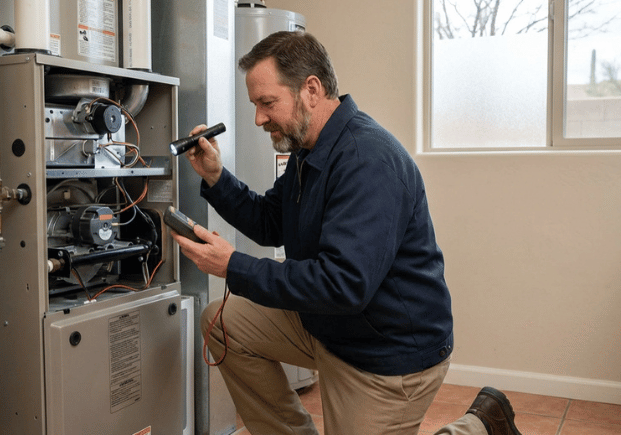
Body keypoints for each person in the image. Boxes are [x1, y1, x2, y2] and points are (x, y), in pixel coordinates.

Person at [172, 30, 522, 435]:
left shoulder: (366, 160)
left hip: (386, 352)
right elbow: (272, 220)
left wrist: (233, 265)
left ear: (312, 90)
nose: (259, 118)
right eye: (256, 105)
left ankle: (481, 426)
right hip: (330, 324)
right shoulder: (309, 149)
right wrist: (216, 177)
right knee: (222, 321)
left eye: (268, 103)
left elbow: (343, 284)